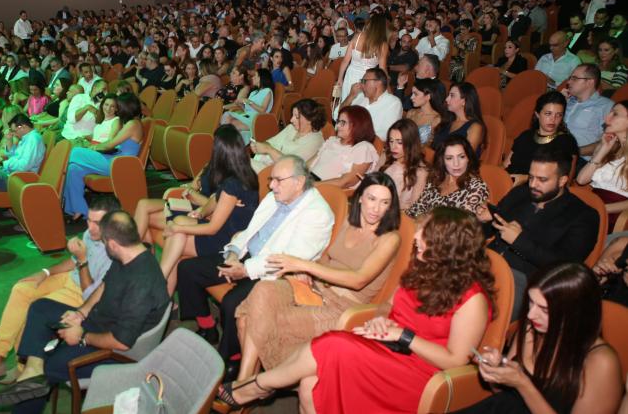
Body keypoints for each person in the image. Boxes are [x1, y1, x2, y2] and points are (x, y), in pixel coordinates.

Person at [218, 207, 494, 414]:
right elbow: (389, 305)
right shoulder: (422, 267)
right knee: (310, 386)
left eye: (427, 234)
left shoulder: (473, 300)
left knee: (333, 344)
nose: (417, 237)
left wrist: (404, 335)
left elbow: (455, 361)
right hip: (386, 347)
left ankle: (256, 387)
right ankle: (255, 386)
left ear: (450, 247)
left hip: (419, 372)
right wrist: (380, 320)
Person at [0, 211, 170, 414]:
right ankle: (32, 368)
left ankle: (33, 376)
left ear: (113, 244)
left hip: (116, 351)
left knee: (45, 368)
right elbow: (105, 285)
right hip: (99, 322)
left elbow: (122, 342)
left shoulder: (141, 283)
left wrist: (82, 335)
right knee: (40, 307)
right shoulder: (128, 254)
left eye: (104, 242)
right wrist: (81, 313)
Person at [233, 173, 401, 381]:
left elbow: (359, 279)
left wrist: (304, 265)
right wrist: (306, 272)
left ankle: (244, 384)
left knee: (252, 319)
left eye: (385, 202)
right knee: (262, 290)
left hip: (342, 307)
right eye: (372, 199)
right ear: (360, 198)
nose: (376, 208)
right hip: (316, 290)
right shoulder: (350, 221)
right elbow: (326, 258)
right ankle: (248, 383)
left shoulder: (390, 239)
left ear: (391, 207)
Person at [176, 155, 334, 366]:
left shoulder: (317, 213)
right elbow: (250, 232)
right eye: (271, 179)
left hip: (275, 274)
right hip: (247, 257)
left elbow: (290, 259)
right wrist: (233, 252)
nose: (271, 185)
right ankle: (207, 327)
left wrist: (244, 270)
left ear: (299, 182)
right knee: (188, 269)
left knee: (233, 304)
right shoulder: (275, 197)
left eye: (278, 180)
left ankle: (232, 358)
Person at [0, 197, 120, 384]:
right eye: (89, 220)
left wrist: (83, 259)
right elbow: (73, 262)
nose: (91, 227)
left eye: (97, 223)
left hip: (82, 295)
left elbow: (90, 294)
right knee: (22, 289)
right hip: (69, 278)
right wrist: (45, 272)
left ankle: (21, 367)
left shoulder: (117, 250)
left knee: (33, 309)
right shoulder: (91, 233)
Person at [460, 263, 622, 414]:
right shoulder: (531, 328)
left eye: (544, 310)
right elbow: (506, 398)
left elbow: (520, 390)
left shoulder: (601, 362)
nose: (531, 314)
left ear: (575, 313)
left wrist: (523, 384)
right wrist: (495, 375)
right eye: (531, 302)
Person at [478, 147, 598, 318]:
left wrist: (519, 241)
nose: (533, 184)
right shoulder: (521, 193)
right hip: (486, 264)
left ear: (562, 180)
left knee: (472, 309)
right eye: (531, 177)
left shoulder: (582, 216)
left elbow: (566, 268)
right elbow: (490, 231)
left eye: (542, 179)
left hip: (528, 282)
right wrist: (484, 221)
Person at [159, 125, 259, 295]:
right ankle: (162, 290)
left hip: (225, 241)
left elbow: (213, 228)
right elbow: (215, 199)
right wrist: (201, 212)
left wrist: (177, 228)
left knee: (176, 235)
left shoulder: (232, 184)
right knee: (179, 227)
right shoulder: (243, 173)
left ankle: (158, 286)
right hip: (226, 231)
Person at [62, 94, 143, 222]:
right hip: (113, 158)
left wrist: (92, 148)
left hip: (118, 164)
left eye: (118, 106)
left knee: (75, 152)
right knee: (74, 169)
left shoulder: (133, 124)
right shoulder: (130, 123)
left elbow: (109, 144)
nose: (117, 109)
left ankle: (56, 192)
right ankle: (79, 210)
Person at [576, 100, 628, 232]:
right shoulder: (609, 145)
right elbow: (581, 180)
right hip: (592, 205)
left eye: (615, 114)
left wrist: (602, 208)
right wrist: (603, 149)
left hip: (611, 215)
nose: (606, 118)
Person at [505, 91, 579, 183]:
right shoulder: (526, 135)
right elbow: (506, 165)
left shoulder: (566, 142)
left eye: (558, 115)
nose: (553, 119)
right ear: (537, 114)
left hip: (535, 189)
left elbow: (564, 182)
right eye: (548, 113)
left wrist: (523, 179)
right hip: (508, 182)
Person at [407, 135, 490, 217]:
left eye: (461, 157)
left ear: (468, 158)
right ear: (442, 161)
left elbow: (463, 222)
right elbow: (415, 210)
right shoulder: (436, 179)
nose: (456, 164)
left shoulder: (477, 187)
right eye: (449, 158)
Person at [307, 105, 378, 189]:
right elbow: (309, 164)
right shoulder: (333, 140)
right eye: (338, 121)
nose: (337, 126)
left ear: (357, 125)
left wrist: (310, 185)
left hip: (326, 190)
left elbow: (346, 182)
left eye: (343, 122)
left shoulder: (363, 148)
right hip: (310, 181)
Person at [249, 98, 326, 173]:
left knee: (244, 165)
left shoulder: (316, 141)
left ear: (310, 120)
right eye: (292, 115)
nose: (291, 120)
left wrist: (268, 149)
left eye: (297, 117)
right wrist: (259, 146)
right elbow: (270, 143)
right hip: (268, 165)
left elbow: (291, 166)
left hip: (281, 175)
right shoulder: (291, 128)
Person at [334, 13, 389, 115]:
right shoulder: (382, 45)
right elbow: (382, 69)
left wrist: (340, 79)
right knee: (360, 111)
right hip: (367, 80)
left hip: (350, 75)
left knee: (347, 105)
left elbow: (345, 61)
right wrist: (387, 87)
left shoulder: (357, 36)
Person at [340, 67, 403, 141]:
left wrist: (355, 136)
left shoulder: (393, 103)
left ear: (378, 83)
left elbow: (386, 135)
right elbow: (340, 115)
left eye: (364, 81)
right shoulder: (361, 96)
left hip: (369, 144)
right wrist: (351, 96)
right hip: (348, 139)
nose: (361, 85)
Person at [382, 119, 429, 210]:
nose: (393, 147)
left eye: (399, 142)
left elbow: (412, 206)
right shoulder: (387, 155)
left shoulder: (420, 171)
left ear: (411, 143)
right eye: (391, 141)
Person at [431, 82, 486, 156]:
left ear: (464, 101)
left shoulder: (475, 127)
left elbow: (465, 156)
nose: (447, 99)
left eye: (452, 95)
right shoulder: (447, 121)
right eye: (448, 95)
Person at [220, 68, 274, 133]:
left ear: (261, 78)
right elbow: (247, 108)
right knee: (227, 116)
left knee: (229, 124)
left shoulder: (267, 91)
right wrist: (241, 104)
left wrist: (248, 101)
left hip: (256, 119)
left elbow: (263, 110)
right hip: (247, 115)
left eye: (255, 76)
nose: (252, 78)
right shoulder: (254, 92)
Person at [406, 77, 446, 144]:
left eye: (416, 94)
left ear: (428, 96)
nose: (411, 97)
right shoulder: (411, 113)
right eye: (412, 94)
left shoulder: (436, 119)